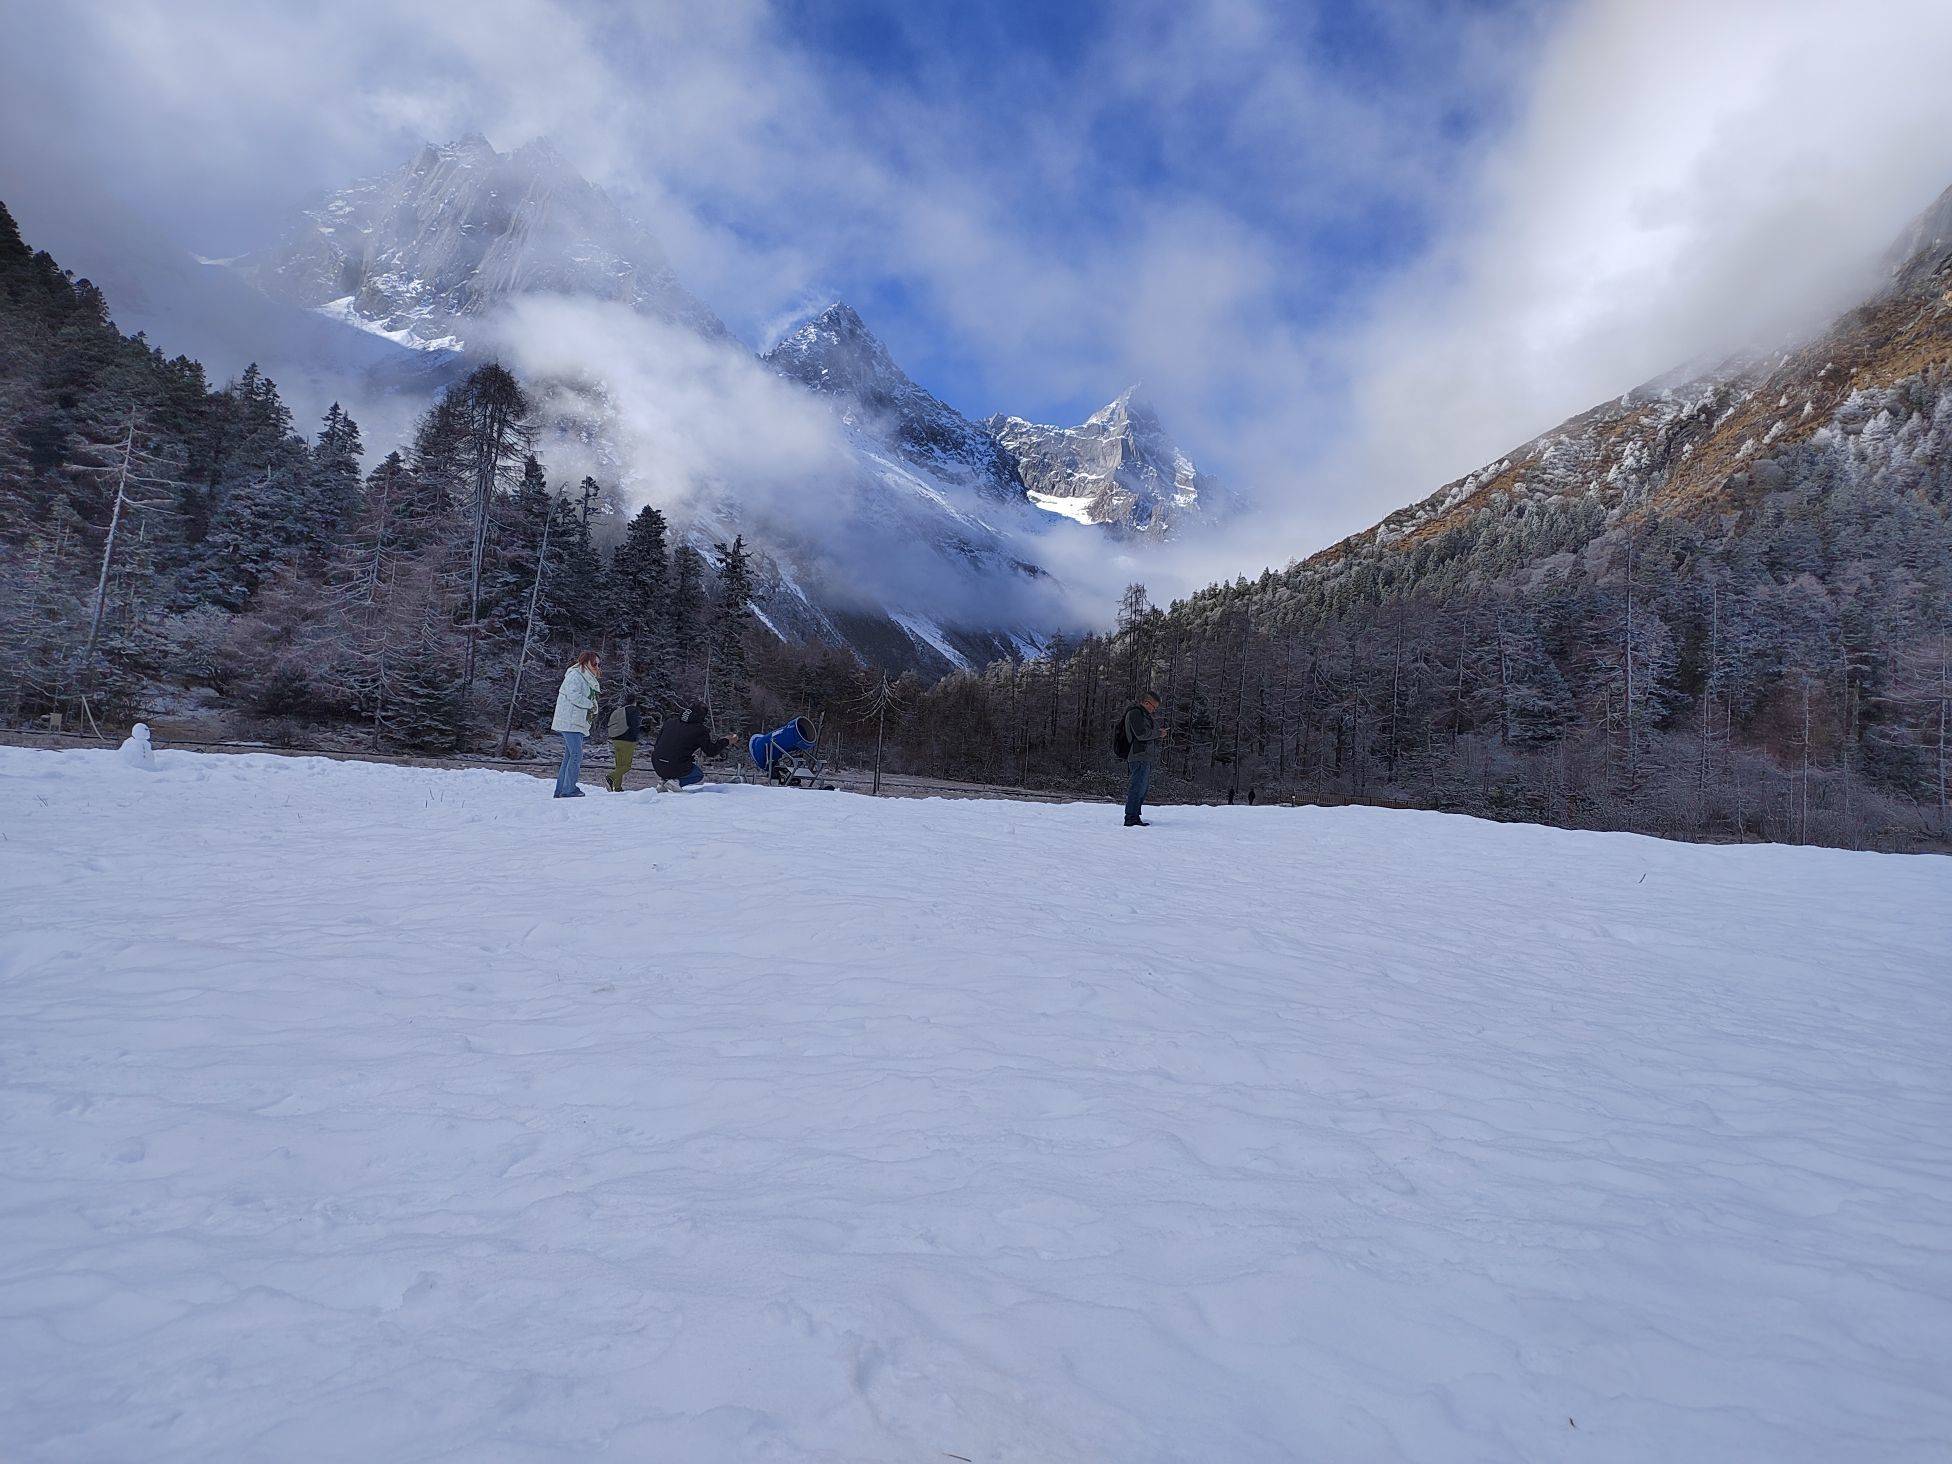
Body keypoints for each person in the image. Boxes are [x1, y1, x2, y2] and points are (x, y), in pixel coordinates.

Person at [550, 651, 601, 798]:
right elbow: (574, 696)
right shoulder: (575, 675)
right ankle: (568, 790)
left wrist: (592, 705)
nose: (597, 666)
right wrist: (590, 704)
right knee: (576, 755)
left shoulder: (585, 676)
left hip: (576, 722)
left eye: (598, 663)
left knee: (569, 756)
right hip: (570, 721)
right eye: (594, 663)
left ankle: (561, 790)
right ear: (585, 662)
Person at [650, 703, 729, 788]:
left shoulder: (669, 722)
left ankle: (664, 782)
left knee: (675, 763)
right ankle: (674, 782)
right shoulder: (700, 730)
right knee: (697, 774)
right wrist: (726, 741)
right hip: (674, 765)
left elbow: (657, 744)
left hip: (657, 763)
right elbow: (710, 751)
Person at [1121, 691, 1164, 827]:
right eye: (1153, 707)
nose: (1154, 710)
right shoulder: (1135, 713)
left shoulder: (1143, 715)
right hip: (1138, 756)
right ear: (1146, 703)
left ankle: (1134, 816)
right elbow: (1140, 734)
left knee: (1142, 788)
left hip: (1144, 757)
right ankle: (1131, 818)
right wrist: (1158, 733)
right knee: (1137, 787)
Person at [605, 701, 645, 792]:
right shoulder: (634, 711)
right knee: (627, 766)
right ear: (634, 701)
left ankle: (617, 787)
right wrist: (637, 736)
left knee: (619, 766)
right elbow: (634, 726)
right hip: (628, 741)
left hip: (616, 741)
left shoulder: (619, 711)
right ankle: (610, 777)